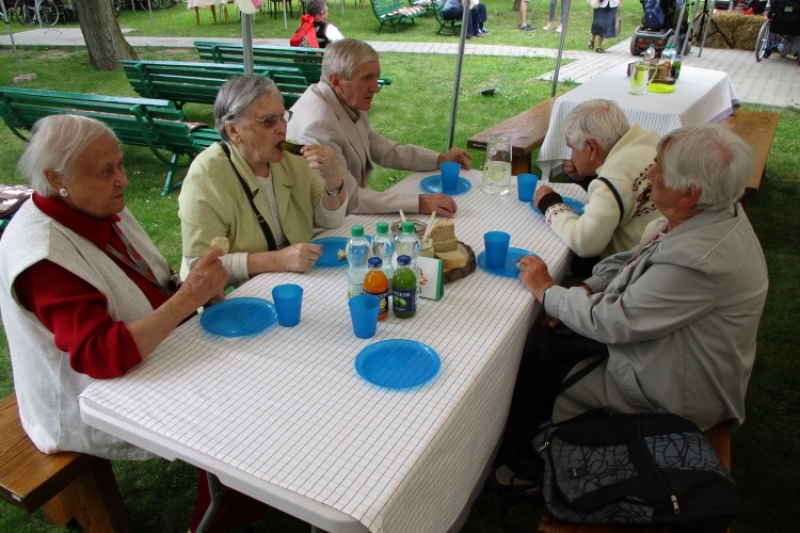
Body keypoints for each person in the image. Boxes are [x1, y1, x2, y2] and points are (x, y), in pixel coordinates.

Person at [491, 124, 769, 490]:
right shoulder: (712, 214)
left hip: (673, 389)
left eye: (661, 170)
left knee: (536, 373)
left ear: (690, 193)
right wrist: (587, 284)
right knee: (546, 347)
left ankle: (533, 465)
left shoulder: (699, 261)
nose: (651, 174)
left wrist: (547, 291)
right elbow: (633, 259)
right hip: (667, 349)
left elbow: (612, 321)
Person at [0, 114, 228, 459]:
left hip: (149, 357)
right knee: (226, 409)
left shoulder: (92, 205)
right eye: (106, 171)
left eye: (120, 165)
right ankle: (225, 503)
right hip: (88, 399)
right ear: (56, 178)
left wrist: (190, 288)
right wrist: (188, 297)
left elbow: (147, 276)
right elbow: (99, 355)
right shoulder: (42, 254)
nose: (123, 180)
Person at [178, 75, 348, 287]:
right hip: (236, 295)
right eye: (268, 121)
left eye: (283, 116)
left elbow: (329, 221)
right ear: (234, 131)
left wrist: (332, 177)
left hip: (295, 280)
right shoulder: (207, 176)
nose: (281, 128)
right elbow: (199, 264)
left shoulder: (291, 159)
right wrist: (278, 260)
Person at [288, 39, 473, 217]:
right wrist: (421, 203)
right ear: (337, 81)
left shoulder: (343, 100)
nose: (376, 88)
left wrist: (439, 159)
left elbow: (381, 148)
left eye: (376, 77)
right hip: (319, 230)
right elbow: (349, 198)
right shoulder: (319, 125)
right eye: (366, 78)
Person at [533, 99, 663, 277]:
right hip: (662, 254)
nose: (572, 157)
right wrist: (590, 177)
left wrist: (550, 205)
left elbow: (584, 243)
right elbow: (622, 196)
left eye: (572, 149)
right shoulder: (649, 142)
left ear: (591, 148)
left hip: (631, 273)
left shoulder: (614, 177)